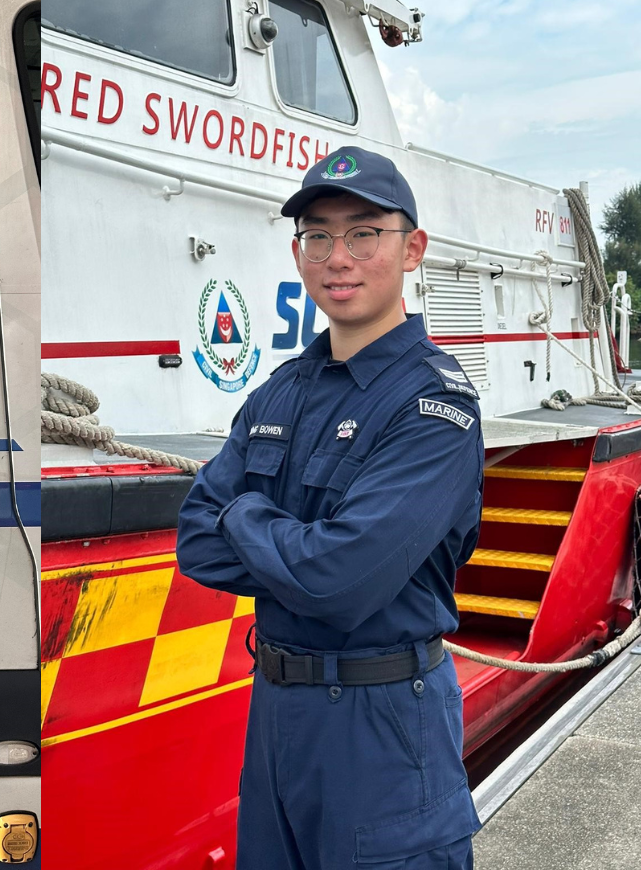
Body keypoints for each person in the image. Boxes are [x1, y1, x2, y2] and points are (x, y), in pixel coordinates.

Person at [176, 147, 483, 870]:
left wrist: (243, 517)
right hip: (278, 718)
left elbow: (337, 582)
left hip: (384, 730)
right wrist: (295, 543)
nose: (337, 257)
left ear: (412, 249)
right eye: (319, 236)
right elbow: (195, 541)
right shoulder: (280, 390)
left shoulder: (434, 408)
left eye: (363, 233)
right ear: (298, 251)